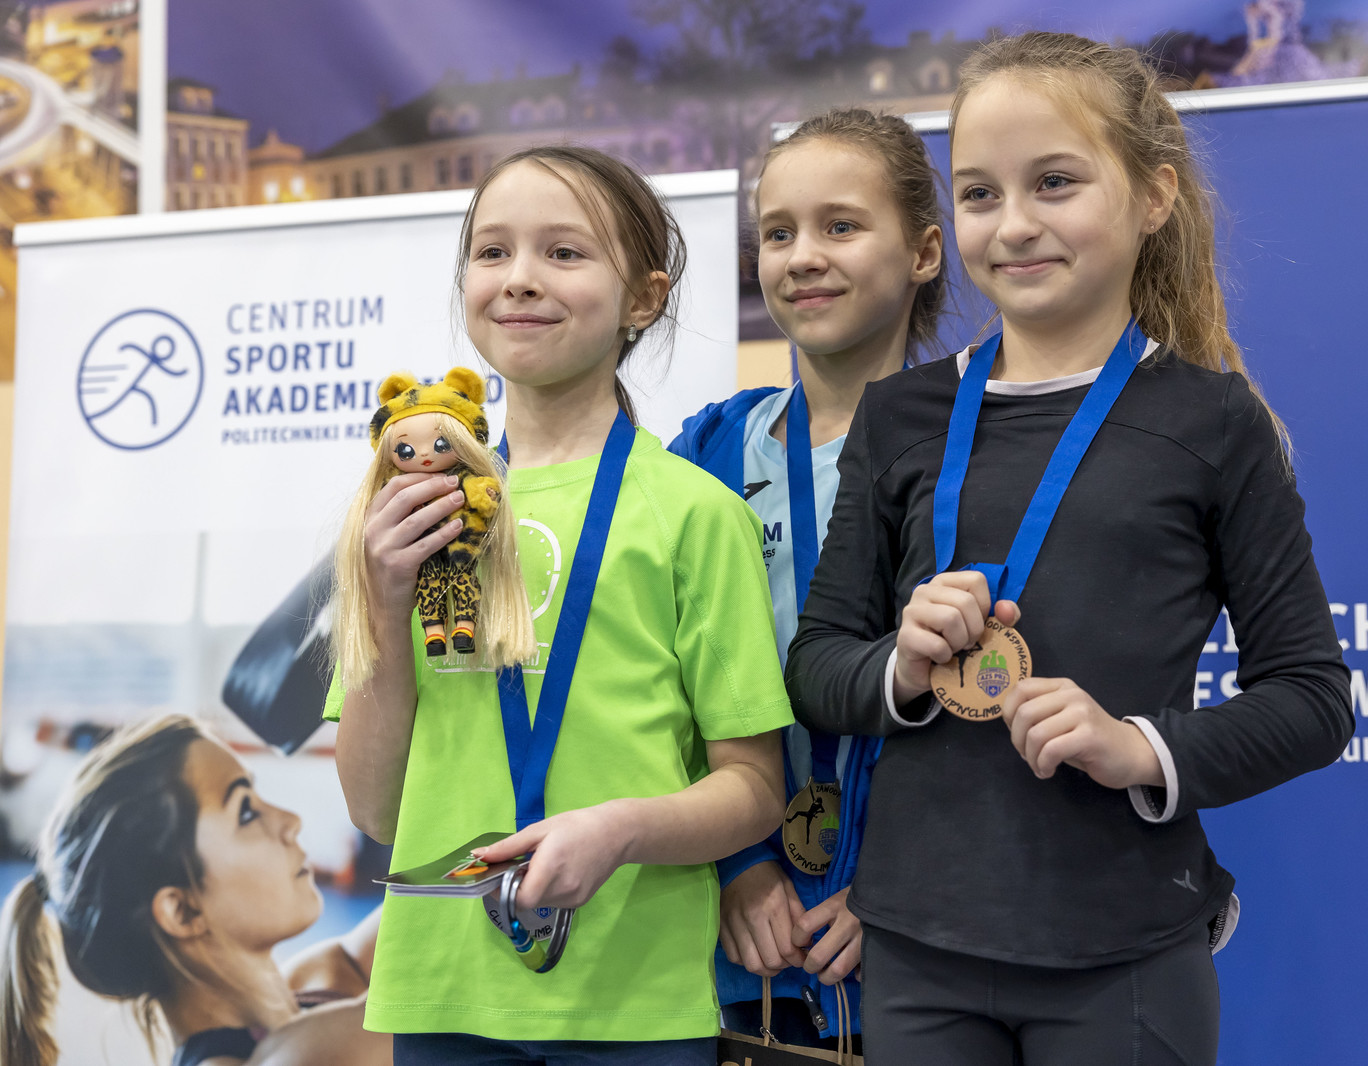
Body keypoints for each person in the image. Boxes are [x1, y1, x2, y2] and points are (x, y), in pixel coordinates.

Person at [785, 32, 1355, 1066]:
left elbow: (1312, 699)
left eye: (1054, 182)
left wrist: (1140, 748)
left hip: (1123, 946)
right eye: (979, 193)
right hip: (913, 945)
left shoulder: (1214, 422)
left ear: (1152, 196)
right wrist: (900, 668)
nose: (1013, 224)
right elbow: (818, 664)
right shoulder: (899, 414)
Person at [326, 144, 793, 1066]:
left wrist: (620, 829)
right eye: (492, 252)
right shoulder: (409, 515)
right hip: (443, 989)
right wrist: (382, 603)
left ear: (644, 298)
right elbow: (376, 810)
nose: (520, 279)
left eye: (565, 252)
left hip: (634, 999)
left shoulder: (694, 513)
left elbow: (753, 792)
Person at [668, 108, 944, 1050]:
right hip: (751, 938)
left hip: (928, 934)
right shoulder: (710, 450)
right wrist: (736, 862)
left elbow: (992, 696)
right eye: (778, 233)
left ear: (924, 252)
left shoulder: (978, 446)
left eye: (841, 226)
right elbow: (664, 686)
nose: (802, 257)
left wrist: (898, 882)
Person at [0, 714, 390, 1066]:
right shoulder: (286, 1058)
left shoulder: (319, 983)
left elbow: (419, 911)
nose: (291, 822)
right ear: (182, 910)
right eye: (246, 812)